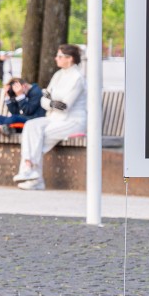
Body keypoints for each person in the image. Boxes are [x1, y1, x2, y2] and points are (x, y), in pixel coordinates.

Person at [13, 45, 86, 190]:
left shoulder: (77, 78)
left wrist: (50, 102)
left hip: (73, 121)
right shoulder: (58, 75)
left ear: (70, 59)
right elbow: (44, 97)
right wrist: (52, 102)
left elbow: (65, 106)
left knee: (38, 137)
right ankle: (31, 171)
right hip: (54, 118)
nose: (56, 58)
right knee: (31, 126)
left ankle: (33, 175)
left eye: (60, 56)